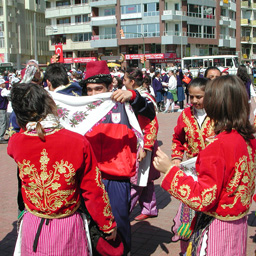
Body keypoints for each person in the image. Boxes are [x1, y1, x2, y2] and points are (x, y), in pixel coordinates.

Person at [8, 83, 117, 255]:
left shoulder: (15, 143)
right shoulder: (77, 142)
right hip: (67, 226)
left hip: (32, 223)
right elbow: (93, 190)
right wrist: (107, 225)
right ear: (49, 104)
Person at [153, 75, 256, 256]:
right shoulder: (248, 138)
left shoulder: (218, 145)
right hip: (239, 223)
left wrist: (169, 170)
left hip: (218, 225)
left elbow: (203, 198)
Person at [81, 60, 155, 254]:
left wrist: (133, 96)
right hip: (89, 178)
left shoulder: (124, 103)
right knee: (90, 224)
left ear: (110, 86)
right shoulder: (82, 109)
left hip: (116, 178)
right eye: (89, 90)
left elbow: (150, 114)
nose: (94, 94)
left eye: (99, 89)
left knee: (118, 223)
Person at [170, 77, 215, 254]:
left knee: (208, 212)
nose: (194, 101)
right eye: (191, 97)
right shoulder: (185, 115)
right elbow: (177, 138)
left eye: (199, 97)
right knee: (188, 215)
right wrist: (176, 158)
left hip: (213, 171)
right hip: (191, 171)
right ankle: (187, 249)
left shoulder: (218, 114)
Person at [122, 68, 160, 221]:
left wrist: (146, 147)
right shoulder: (142, 95)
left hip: (143, 144)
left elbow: (152, 124)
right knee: (145, 178)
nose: (122, 83)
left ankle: (123, 212)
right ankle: (150, 208)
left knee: (136, 180)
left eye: (125, 80)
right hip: (142, 143)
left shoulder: (143, 98)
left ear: (132, 82)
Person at [0, 78, 8, 143]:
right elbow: (8, 94)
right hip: (2, 109)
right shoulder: (2, 91)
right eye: (4, 83)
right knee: (3, 123)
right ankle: (1, 137)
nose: (5, 84)